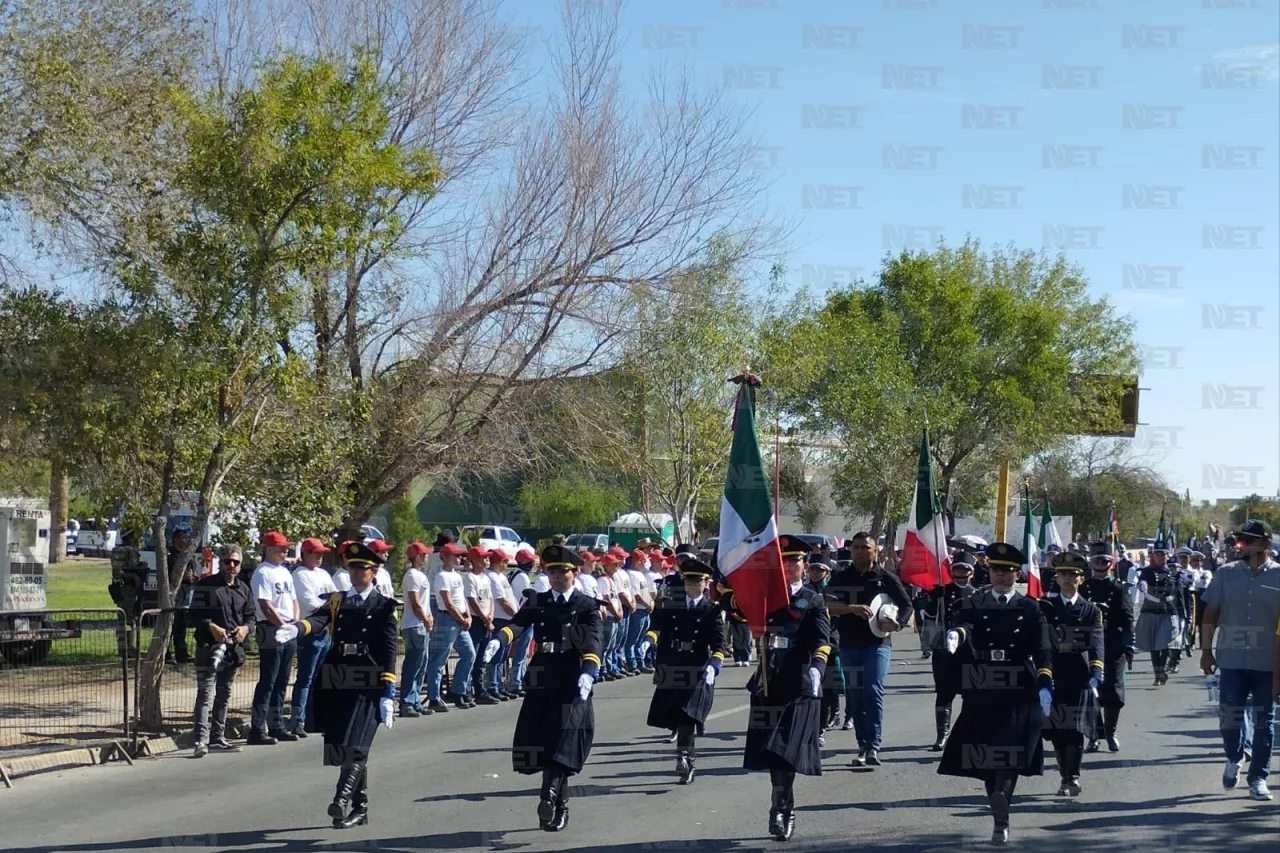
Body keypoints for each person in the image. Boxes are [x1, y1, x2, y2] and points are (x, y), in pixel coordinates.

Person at [275, 541, 398, 829]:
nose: (357, 573)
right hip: (338, 677)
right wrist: (297, 627)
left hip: (368, 680)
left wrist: (388, 693)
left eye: (363, 569)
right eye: (353, 568)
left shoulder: (384, 606)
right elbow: (318, 620)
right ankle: (361, 807)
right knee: (341, 745)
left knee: (358, 742)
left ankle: (341, 801)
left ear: (375, 571)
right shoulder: (337, 600)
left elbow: (389, 651)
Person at [939, 542, 1052, 846]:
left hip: (1018, 681)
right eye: (996, 569)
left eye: (1008, 571)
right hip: (984, 677)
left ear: (1018, 573)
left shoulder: (1030, 607)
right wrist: (955, 635)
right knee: (987, 746)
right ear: (988, 570)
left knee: (1013, 745)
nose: (1001, 575)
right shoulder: (975, 601)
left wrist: (1045, 682)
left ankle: (1003, 799)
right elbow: (964, 624)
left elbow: (1042, 648)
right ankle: (997, 806)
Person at [494, 544, 603, 832]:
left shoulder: (586, 605)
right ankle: (559, 804)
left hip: (572, 676)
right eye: (552, 571)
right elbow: (517, 623)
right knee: (545, 741)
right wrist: (500, 638)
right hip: (542, 672)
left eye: (562, 572)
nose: (556, 577)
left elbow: (592, 641)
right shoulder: (537, 601)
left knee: (563, 740)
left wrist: (589, 671)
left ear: (574, 572)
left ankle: (550, 797)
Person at [743, 534, 833, 842]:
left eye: (793, 561)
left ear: (804, 565)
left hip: (798, 683)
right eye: (782, 561)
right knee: (771, 751)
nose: (788, 566)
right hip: (768, 681)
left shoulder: (812, 599)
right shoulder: (765, 596)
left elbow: (822, 641)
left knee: (785, 750)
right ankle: (782, 804)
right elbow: (733, 602)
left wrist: (817, 669)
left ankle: (780, 810)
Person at [1201, 519, 1280, 801]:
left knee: (1264, 723)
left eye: (1248, 541)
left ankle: (1258, 778)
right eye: (1240, 540)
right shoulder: (1225, 574)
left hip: (1268, 663)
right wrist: (1206, 651)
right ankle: (1235, 756)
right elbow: (1210, 613)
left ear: (1266, 545)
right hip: (1231, 660)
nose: (1241, 545)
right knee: (1229, 718)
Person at [824, 531, 912, 766]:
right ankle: (862, 745)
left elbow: (906, 605)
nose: (861, 551)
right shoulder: (841, 577)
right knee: (855, 693)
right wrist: (851, 608)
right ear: (851, 550)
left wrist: (897, 623)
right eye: (857, 547)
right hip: (849, 644)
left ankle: (873, 745)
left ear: (876, 550)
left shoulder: (886, 578)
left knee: (872, 690)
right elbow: (827, 606)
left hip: (878, 644)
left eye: (866, 547)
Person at [638, 557, 727, 784]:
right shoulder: (671, 604)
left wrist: (714, 666)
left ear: (706, 584)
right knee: (676, 713)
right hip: (672, 661)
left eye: (697, 581)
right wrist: (649, 639)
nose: (692, 585)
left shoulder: (712, 611)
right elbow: (657, 625)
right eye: (688, 581)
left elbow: (719, 645)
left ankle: (684, 757)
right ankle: (688, 758)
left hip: (696, 665)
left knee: (688, 713)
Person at [1039, 552, 1104, 797]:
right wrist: (1042, 676)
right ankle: (1064, 775)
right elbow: (1042, 643)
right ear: (1056, 578)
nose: (1067, 578)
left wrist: (1096, 670)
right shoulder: (1046, 607)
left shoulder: (1090, 610)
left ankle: (1072, 777)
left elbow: (1096, 641)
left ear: (1081, 579)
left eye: (1073, 575)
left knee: (1075, 728)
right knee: (1058, 730)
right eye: (1063, 574)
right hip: (1054, 670)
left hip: (1078, 672)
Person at [189, 545, 255, 756]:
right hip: (208, 648)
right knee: (205, 694)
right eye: (228, 561)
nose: (232, 566)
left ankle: (218, 737)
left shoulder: (243, 589)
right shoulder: (206, 585)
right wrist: (211, 626)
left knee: (224, 694)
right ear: (220, 562)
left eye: (236, 562)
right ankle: (201, 739)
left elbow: (251, 618)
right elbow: (193, 615)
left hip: (233, 650)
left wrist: (245, 629)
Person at [1079, 549, 1134, 753]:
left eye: (1104, 561)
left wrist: (1128, 644)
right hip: (1088, 643)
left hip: (1112, 643)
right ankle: (1093, 733)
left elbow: (1128, 619)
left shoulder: (1119, 588)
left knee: (1113, 690)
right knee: (1090, 691)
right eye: (1097, 560)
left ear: (1111, 563)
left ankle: (1110, 731)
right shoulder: (1084, 587)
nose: (1100, 564)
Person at [249, 531, 299, 745]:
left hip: (288, 626)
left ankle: (276, 724)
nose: (284, 550)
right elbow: (265, 604)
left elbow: (294, 600)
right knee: (268, 680)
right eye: (280, 547)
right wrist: (282, 625)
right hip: (270, 627)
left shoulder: (285, 572)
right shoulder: (263, 572)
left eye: (285, 547)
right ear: (268, 549)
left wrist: (294, 623)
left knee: (282, 680)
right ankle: (257, 728)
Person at [924, 553, 978, 751]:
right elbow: (929, 616)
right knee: (944, 694)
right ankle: (942, 735)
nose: (960, 573)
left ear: (971, 573)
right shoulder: (943, 592)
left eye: (964, 570)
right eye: (957, 569)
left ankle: (966, 734)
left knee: (970, 696)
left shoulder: (978, 595)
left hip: (969, 651)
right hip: (944, 651)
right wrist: (932, 600)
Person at [290, 537, 337, 736]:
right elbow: (312, 604)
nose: (320, 557)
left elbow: (336, 598)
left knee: (321, 678)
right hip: (310, 631)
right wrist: (329, 604)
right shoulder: (300, 575)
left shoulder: (324, 574)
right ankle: (298, 720)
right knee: (305, 678)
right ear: (305, 554)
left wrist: (329, 604)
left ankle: (315, 718)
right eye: (315, 553)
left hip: (326, 631)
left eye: (321, 554)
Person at [426, 541, 476, 711]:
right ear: (445, 557)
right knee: (439, 658)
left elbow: (461, 598)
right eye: (456, 555)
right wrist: (461, 618)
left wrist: (467, 615)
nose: (459, 558)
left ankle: (458, 690)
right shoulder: (442, 577)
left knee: (469, 654)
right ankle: (434, 696)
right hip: (447, 618)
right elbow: (447, 602)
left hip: (460, 618)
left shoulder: (456, 575)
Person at [804, 555, 844, 737]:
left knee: (831, 684)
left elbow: (839, 614)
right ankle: (816, 724)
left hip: (830, 641)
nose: (815, 573)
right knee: (812, 684)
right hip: (809, 643)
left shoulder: (834, 590)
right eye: (813, 569)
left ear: (827, 571)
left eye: (820, 570)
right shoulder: (803, 590)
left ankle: (834, 712)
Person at [1135, 543, 1183, 685]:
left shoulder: (1174, 573)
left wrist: (1183, 614)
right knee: (1153, 645)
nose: (1160, 557)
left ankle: (1162, 668)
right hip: (1150, 610)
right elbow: (1142, 581)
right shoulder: (1147, 572)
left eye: (1163, 554)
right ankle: (1158, 673)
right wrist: (1142, 584)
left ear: (1167, 556)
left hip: (1168, 611)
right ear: (1153, 556)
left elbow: (1179, 595)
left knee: (1165, 642)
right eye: (1157, 554)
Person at [398, 541, 433, 717]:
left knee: (422, 662)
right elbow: (415, 601)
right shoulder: (411, 575)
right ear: (418, 557)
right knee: (413, 662)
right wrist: (424, 617)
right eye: (424, 555)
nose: (426, 557)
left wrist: (428, 617)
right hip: (414, 624)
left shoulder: (420, 575)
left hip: (421, 623)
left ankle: (415, 698)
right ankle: (406, 702)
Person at [482, 547, 520, 701]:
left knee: (503, 655)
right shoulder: (491, 577)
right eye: (504, 561)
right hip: (500, 618)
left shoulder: (501, 577)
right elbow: (502, 600)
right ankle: (492, 685)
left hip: (507, 619)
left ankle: (498, 684)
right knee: (496, 655)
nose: (507, 563)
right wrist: (517, 616)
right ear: (497, 561)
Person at [505, 547, 539, 697]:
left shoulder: (514, 574)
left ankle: (519, 680)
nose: (532, 563)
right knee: (521, 652)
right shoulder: (522, 577)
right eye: (529, 560)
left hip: (516, 616)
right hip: (521, 617)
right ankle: (515, 683)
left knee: (521, 652)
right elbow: (525, 598)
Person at [169, 525, 199, 664]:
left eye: (186, 537)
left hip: (187, 596)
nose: (185, 540)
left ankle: (182, 653)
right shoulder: (171, 556)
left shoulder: (188, 556)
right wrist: (183, 577)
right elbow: (170, 576)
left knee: (181, 626)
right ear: (175, 539)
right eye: (182, 537)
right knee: (171, 626)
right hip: (174, 597)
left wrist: (194, 577)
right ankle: (167, 654)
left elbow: (192, 572)